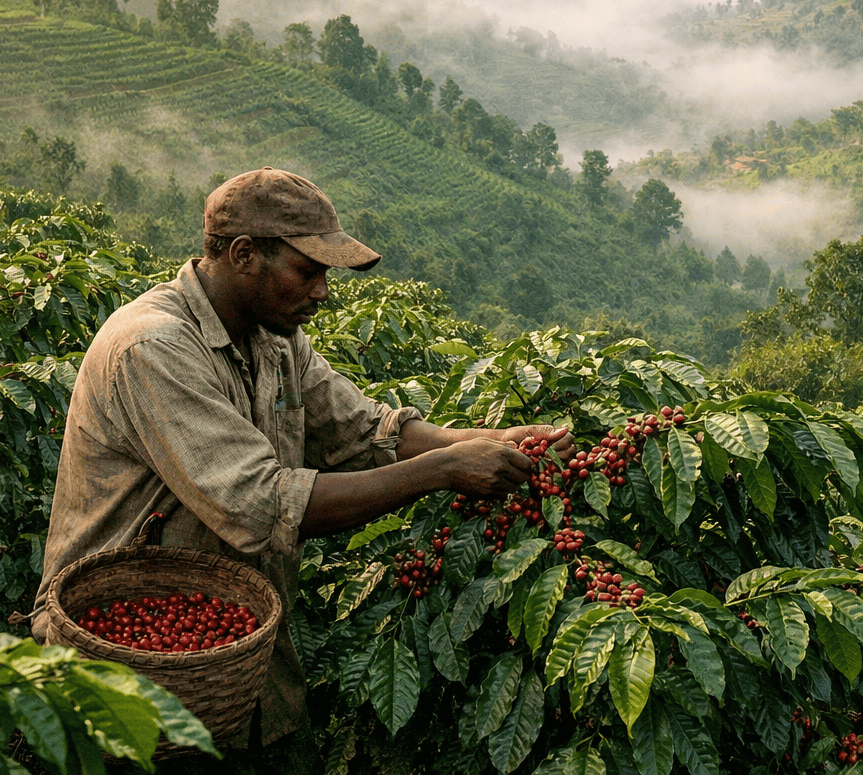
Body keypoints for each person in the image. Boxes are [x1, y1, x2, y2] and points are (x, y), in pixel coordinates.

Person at [32, 166, 570, 769]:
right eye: (307, 271)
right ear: (243, 255)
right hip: (131, 667)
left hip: (246, 659)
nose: (321, 291)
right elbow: (264, 505)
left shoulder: (276, 337)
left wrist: (495, 439)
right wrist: (444, 470)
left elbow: (361, 432)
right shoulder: (153, 349)